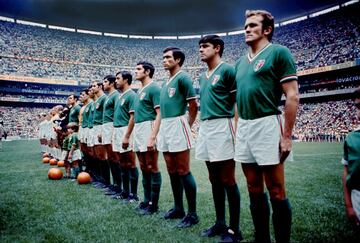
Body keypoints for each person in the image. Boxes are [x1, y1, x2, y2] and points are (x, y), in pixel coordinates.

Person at [234, 10, 299, 243]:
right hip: (244, 127)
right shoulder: (240, 63)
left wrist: (287, 136)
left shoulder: (278, 52)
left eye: (252, 25)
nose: (247, 29)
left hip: (267, 123)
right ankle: (262, 239)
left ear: (267, 29)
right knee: (253, 186)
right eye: (245, 26)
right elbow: (238, 101)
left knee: (276, 188)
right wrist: (236, 128)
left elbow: (292, 95)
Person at [196, 35, 242, 242]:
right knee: (213, 178)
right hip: (205, 126)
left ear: (217, 48)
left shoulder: (228, 70)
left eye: (205, 46)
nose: (200, 50)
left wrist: (237, 127)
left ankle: (234, 229)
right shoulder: (202, 76)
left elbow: (237, 101)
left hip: (223, 125)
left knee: (227, 179)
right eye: (200, 47)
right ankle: (220, 222)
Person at [158, 47, 199, 228]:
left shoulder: (183, 78)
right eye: (164, 57)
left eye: (168, 58)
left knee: (183, 170)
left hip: (178, 123)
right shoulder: (166, 82)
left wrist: (186, 126)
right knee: (172, 170)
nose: (164, 60)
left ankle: (192, 213)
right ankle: (178, 208)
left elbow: (193, 106)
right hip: (166, 125)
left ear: (178, 60)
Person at [133, 61, 162, 215]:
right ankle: (146, 200)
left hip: (148, 126)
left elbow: (159, 113)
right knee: (143, 166)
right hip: (138, 128)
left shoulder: (154, 88)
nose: (135, 72)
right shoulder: (139, 90)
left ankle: (154, 204)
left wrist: (153, 136)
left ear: (147, 71)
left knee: (152, 166)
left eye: (138, 69)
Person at [113, 71, 139, 202]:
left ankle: (134, 195)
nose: (115, 81)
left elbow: (133, 117)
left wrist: (127, 136)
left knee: (130, 163)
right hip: (117, 130)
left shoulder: (131, 95)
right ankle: (125, 192)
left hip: (126, 130)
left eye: (118, 79)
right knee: (122, 163)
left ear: (126, 80)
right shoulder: (120, 96)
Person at [342, 88, 360, 231]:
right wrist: (348, 205)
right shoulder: (352, 138)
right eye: (359, 107)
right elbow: (346, 171)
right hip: (357, 196)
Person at [102, 75, 123, 196]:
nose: (103, 84)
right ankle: (114, 184)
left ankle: (119, 186)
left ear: (111, 84)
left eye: (105, 82)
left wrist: (114, 128)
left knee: (115, 157)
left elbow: (117, 112)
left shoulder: (115, 95)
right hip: (106, 126)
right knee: (110, 157)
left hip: (112, 126)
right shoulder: (109, 96)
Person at [91, 81, 110, 187]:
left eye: (94, 86)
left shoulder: (104, 98)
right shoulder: (97, 100)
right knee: (98, 155)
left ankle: (106, 181)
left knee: (103, 155)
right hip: (95, 127)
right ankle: (101, 179)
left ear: (100, 87)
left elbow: (104, 115)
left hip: (101, 126)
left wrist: (102, 130)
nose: (92, 88)